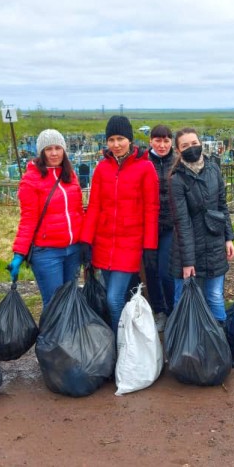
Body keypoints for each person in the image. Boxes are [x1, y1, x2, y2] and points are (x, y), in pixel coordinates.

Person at [80, 116, 159, 333]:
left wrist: (150, 245)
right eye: (111, 139)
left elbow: (151, 209)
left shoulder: (145, 168)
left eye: (120, 138)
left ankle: (119, 345)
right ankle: (129, 339)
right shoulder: (102, 169)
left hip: (130, 243)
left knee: (113, 299)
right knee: (115, 297)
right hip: (103, 243)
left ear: (130, 139)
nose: (116, 144)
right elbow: (94, 206)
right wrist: (86, 240)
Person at [8, 129, 84, 307]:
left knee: (70, 302)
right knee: (54, 304)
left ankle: (67, 335)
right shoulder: (31, 180)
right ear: (42, 152)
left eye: (58, 148)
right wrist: (19, 253)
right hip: (47, 252)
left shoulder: (70, 176)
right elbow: (28, 219)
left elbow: (78, 212)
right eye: (49, 149)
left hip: (73, 250)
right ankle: (50, 336)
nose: (54, 153)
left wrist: (87, 241)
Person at [169, 127, 234, 323]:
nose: (191, 148)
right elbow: (182, 222)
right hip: (187, 246)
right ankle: (182, 343)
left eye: (194, 143)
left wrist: (229, 238)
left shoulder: (213, 169)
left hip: (215, 241)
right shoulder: (177, 180)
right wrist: (188, 261)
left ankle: (219, 342)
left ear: (200, 144)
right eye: (185, 145)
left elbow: (222, 205)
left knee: (215, 296)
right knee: (183, 298)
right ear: (178, 150)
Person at [143, 124, 175, 330]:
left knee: (166, 271)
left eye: (166, 141)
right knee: (151, 269)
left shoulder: (177, 161)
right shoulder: (143, 162)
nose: (162, 145)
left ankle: (172, 310)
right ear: (151, 141)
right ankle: (159, 311)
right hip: (148, 226)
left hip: (171, 225)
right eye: (158, 140)